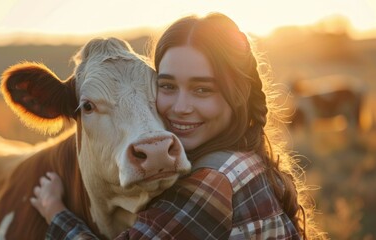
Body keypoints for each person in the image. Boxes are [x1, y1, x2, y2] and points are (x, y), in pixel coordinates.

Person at [31, 13, 323, 239]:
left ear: (237, 95)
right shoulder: (244, 157)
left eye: (202, 89)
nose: (181, 108)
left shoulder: (212, 182)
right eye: (166, 86)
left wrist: (56, 213)